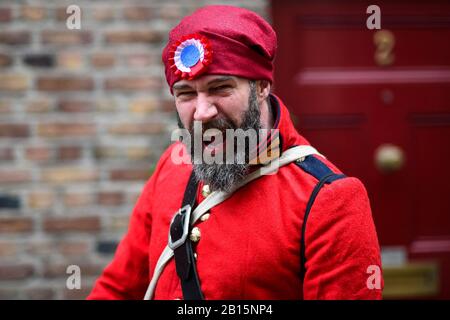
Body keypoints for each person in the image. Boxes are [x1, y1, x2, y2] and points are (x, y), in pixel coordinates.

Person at [88, 5, 383, 300]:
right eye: (186, 94)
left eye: (220, 88)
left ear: (262, 87)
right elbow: (118, 289)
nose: (202, 113)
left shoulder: (330, 199)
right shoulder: (172, 166)